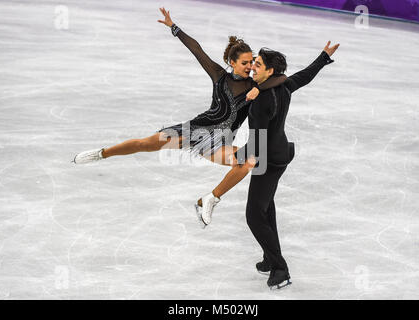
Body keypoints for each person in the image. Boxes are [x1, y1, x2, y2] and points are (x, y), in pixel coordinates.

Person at [72, 8, 285, 221]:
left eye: (251, 62)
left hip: (219, 143)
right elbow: (197, 49)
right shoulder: (219, 75)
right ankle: (101, 153)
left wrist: (261, 88)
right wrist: (174, 28)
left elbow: (282, 79)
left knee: (248, 162)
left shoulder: (256, 84)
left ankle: (210, 199)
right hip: (194, 130)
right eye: (245, 63)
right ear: (232, 63)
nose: (250, 67)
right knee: (144, 144)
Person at [202, 43, 339, 289]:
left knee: (254, 215)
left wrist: (235, 156)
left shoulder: (264, 99)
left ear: (270, 70)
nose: (253, 67)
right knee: (266, 209)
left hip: (269, 159)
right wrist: (323, 57)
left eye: (258, 65)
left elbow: (257, 143)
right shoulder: (282, 84)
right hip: (275, 152)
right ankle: (270, 257)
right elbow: (303, 76)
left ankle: (280, 269)